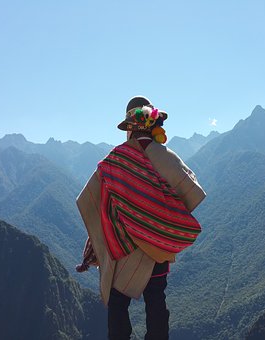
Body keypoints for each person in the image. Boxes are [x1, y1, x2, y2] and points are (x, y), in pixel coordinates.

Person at [76, 96, 206, 340]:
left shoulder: (113, 161)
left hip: (123, 249)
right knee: (156, 301)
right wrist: (163, 220)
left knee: (118, 304)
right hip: (157, 248)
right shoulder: (166, 157)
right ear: (151, 124)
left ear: (130, 128)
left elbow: (94, 202)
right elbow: (192, 189)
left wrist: (105, 237)